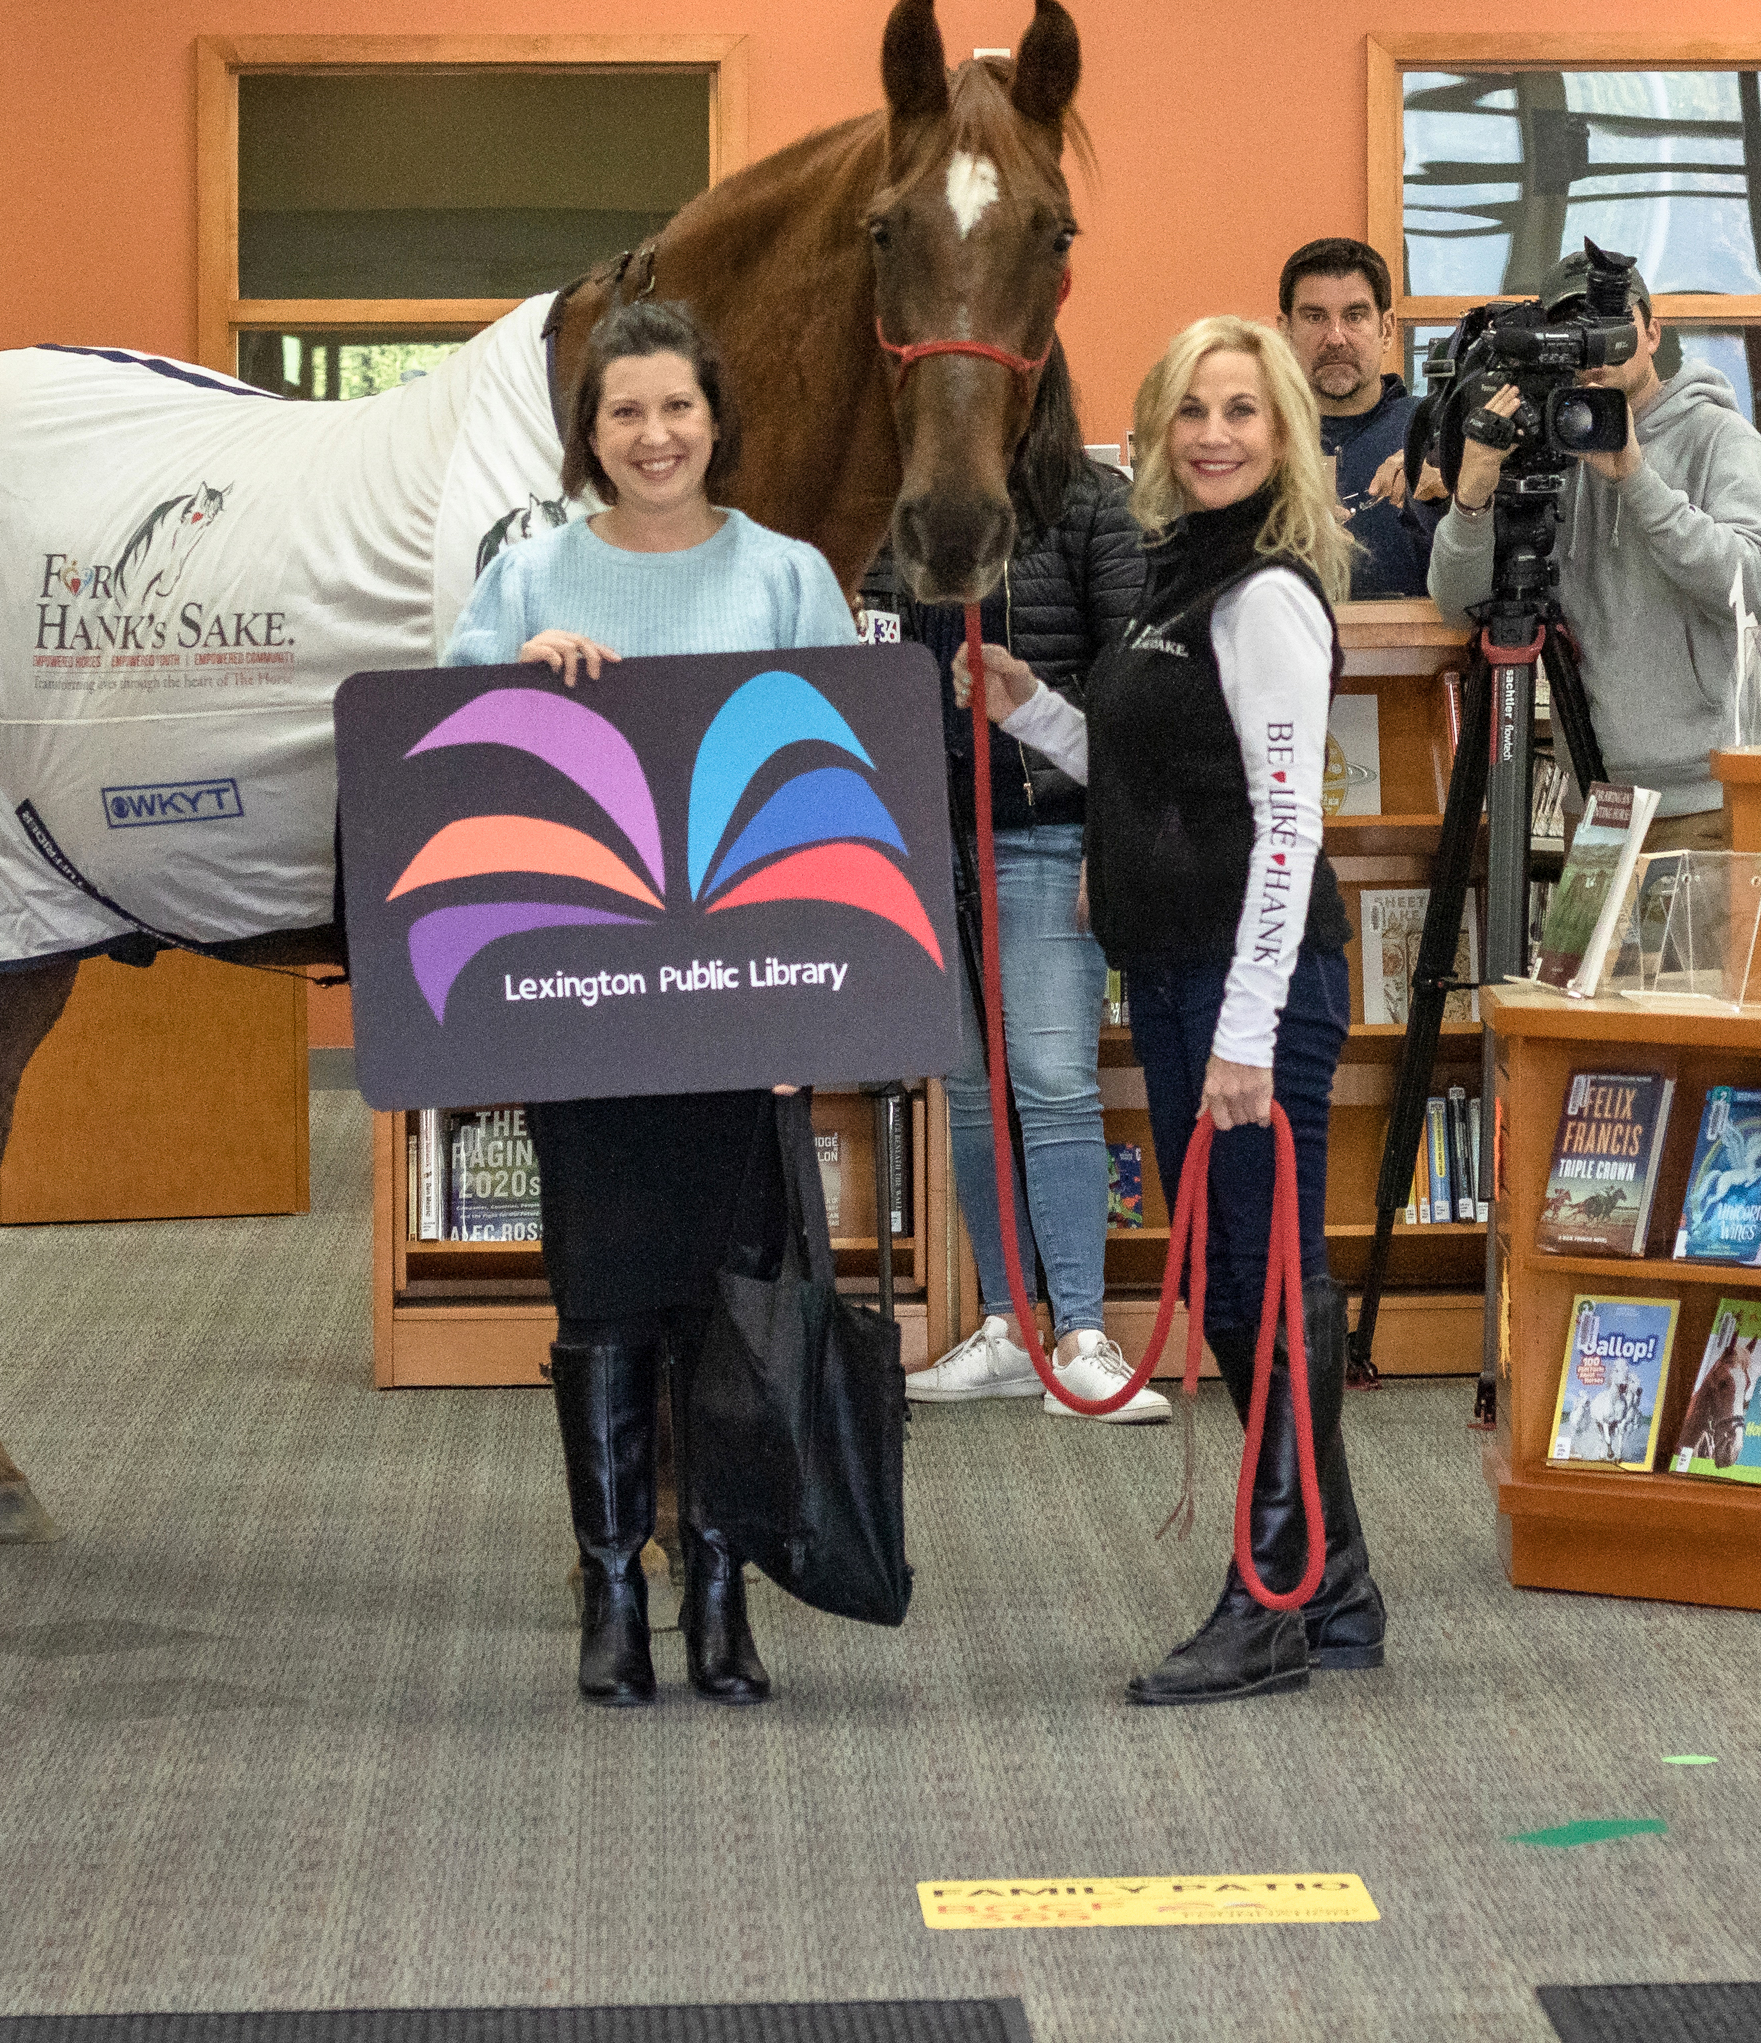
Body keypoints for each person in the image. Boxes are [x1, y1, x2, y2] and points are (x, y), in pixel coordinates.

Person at [953, 315, 1388, 1705]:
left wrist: (1251, 1030)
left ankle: (1268, 1598)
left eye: (1242, 413)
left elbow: (1285, 822)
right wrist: (1031, 709)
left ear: (1285, 439)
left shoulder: (1264, 594)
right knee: (1250, 1278)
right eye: (1191, 409)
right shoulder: (1174, 580)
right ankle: (1335, 1585)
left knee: (1256, 1287)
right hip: (1193, 974)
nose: (1213, 433)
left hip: (1255, 985)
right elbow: (1145, 766)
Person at [443, 297, 857, 1709]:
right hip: (587, 1010)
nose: (655, 433)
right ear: (592, 435)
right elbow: (442, 766)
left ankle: (723, 1594)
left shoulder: (791, 575)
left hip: (740, 1020)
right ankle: (612, 1587)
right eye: (625, 411)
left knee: (730, 1310)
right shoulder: (527, 577)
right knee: (603, 1305)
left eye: (677, 405)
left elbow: (841, 792)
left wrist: (824, 1007)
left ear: (715, 419)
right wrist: (518, 684)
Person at [865, 448, 1167, 1423]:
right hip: (922, 838)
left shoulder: (1088, 497)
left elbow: (1131, 676)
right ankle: (1007, 1328)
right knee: (965, 1087)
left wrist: (1111, 829)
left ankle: (1080, 1334)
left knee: (1052, 1079)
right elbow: (864, 648)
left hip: (1047, 829)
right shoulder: (892, 499)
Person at [1426, 263, 1761, 849]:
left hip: (1716, 796)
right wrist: (1471, 497)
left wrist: (1634, 477)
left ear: (1653, 333)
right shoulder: (1549, 451)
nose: (1595, 347)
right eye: (1573, 329)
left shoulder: (1721, 439)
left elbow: (1754, 586)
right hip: (1600, 802)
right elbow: (1458, 605)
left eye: (1614, 325)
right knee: (1592, 948)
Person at [1277, 236, 1433, 601]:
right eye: (1315, 317)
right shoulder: (1254, 442)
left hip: (1421, 655)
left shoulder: (1435, 432)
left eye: (1355, 316)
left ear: (1388, 329)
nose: (1335, 338)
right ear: (1285, 331)